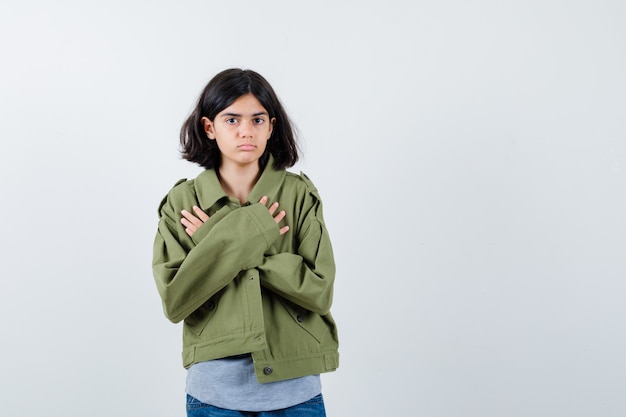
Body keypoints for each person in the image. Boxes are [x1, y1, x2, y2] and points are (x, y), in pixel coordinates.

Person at [152, 68, 339, 416]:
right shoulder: (182, 203)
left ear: (271, 127)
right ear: (210, 128)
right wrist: (246, 239)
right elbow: (176, 301)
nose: (245, 131)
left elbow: (319, 290)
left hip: (295, 390)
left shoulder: (299, 195)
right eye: (232, 119)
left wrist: (218, 241)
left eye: (257, 120)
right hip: (214, 396)